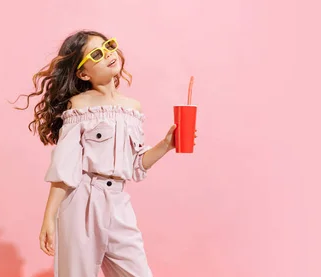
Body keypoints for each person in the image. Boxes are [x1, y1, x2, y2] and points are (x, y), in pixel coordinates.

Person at [14, 30, 196, 277]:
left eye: (108, 46)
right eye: (97, 54)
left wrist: (166, 144)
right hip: (81, 203)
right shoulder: (79, 107)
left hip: (119, 202)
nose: (108, 54)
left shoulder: (132, 108)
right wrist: (49, 217)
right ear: (83, 73)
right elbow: (64, 169)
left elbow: (135, 165)